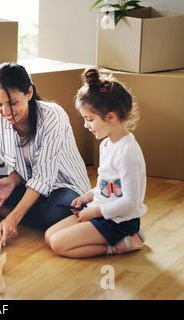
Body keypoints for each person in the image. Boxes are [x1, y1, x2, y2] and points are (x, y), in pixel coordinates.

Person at [44, 68, 147, 258]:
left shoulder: (128, 151)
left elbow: (131, 202)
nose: (86, 126)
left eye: (89, 119)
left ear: (111, 117)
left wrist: (94, 213)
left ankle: (122, 243)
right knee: (49, 236)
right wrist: (87, 196)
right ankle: (118, 238)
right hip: (99, 211)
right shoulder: (107, 144)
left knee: (59, 245)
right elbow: (108, 186)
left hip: (119, 221)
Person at [0, 63, 90, 246]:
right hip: (30, 184)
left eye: (13, 102)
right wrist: (12, 179)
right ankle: (29, 211)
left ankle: (21, 213)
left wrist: (13, 218)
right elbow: (20, 163)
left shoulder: (52, 116)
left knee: (56, 213)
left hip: (65, 185)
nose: (6, 112)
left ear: (29, 93)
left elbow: (44, 176)